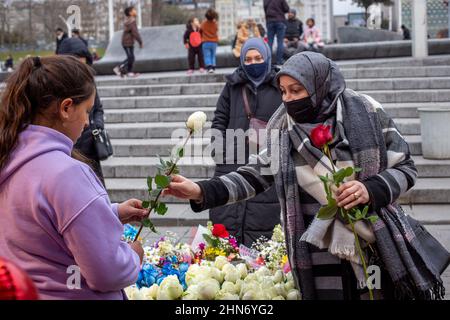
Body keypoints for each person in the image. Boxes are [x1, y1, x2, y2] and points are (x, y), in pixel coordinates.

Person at [162, 51, 446, 300]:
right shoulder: (283, 129)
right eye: (283, 91)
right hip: (315, 248)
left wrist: (370, 189)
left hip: (373, 241)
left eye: (297, 90)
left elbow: (405, 166)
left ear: (319, 84)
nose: (288, 99)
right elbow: (253, 176)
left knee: (374, 292)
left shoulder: (368, 111)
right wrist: (199, 191)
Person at [0, 55, 147, 299]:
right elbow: (106, 272)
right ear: (66, 108)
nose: (88, 122)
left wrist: (111, 212)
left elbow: (41, 226)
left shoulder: (11, 156)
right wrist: (133, 256)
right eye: (87, 110)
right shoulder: (67, 173)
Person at [209, 38, 282, 246]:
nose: (253, 63)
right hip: (232, 158)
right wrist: (220, 150)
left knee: (263, 213)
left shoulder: (279, 85)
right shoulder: (232, 85)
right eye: (248, 59)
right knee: (227, 211)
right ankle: (230, 255)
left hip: (266, 161)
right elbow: (219, 118)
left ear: (267, 57)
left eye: (258, 58)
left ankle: (259, 258)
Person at [57, 36, 106, 185]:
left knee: (96, 187)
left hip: (89, 143)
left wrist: (97, 126)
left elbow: (97, 108)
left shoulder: (89, 82)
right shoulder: (56, 86)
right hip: (69, 147)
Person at [113, 6, 143, 78]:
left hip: (128, 42)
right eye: (134, 10)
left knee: (131, 57)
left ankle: (128, 72)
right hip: (127, 42)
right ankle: (118, 68)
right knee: (130, 57)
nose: (135, 11)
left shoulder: (129, 20)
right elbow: (135, 33)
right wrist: (140, 42)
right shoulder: (132, 21)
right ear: (130, 13)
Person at [263, 0, 289, 65]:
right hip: (280, 20)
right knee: (280, 42)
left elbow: (265, 9)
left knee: (270, 42)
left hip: (270, 21)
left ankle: (268, 61)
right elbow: (286, 9)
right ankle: (279, 60)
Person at [201, 8, 219, 74]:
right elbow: (216, 30)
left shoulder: (203, 23)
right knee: (213, 55)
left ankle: (209, 68)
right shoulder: (215, 24)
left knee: (207, 55)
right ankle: (213, 67)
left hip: (206, 41)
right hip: (214, 42)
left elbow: (200, 29)